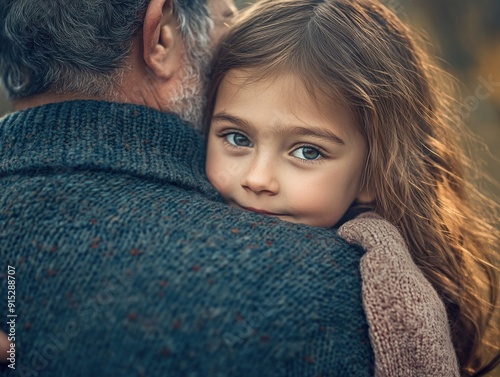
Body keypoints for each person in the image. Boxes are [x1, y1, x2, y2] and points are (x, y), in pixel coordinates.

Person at [0, 1, 377, 376]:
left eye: (308, 151)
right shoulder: (327, 292)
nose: (258, 180)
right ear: (161, 35)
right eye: (226, 20)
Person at [204, 0, 500, 376]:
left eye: (308, 151)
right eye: (237, 137)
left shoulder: (378, 292)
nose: (258, 179)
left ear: (374, 173)